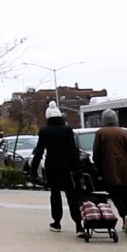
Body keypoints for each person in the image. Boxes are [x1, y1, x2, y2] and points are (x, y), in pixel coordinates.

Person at [30, 101, 83, 236]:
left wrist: (33, 170)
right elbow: (73, 151)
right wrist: (77, 168)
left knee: (55, 195)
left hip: (52, 167)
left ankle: (57, 221)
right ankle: (78, 225)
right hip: (68, 167)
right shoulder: (67, 130)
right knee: (72, 196)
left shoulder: (44, 131)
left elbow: (39, 152)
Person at [92, 108, 127, 236]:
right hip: (126, 169)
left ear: (104, 120)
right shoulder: (124, 132)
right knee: (126, 194)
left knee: (115, 194)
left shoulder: (101, 133)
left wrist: (98, 168)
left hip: (109, 169)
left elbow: (96, 153)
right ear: (115, 119)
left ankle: (124, 216)